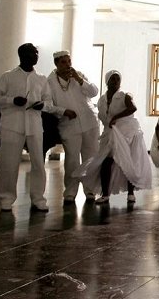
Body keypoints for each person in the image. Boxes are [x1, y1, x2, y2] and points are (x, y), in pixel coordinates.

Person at [0, 43, 52, 212]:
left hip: (34, 126)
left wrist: (43, 105)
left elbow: (49, 102)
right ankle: (6, 199)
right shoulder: (8, 76)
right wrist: (12, 101)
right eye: (33, 53)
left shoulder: (41, 79)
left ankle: (38, 198)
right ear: (22, 55)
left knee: (38, 162)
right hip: (12, 125)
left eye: (37, 53)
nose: (36, 56)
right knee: (9, 163)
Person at [75, 70, 152, 204]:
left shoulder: (124, 95)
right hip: (111, 133)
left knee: (129, 161)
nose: (116, 81)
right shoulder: (102, 100)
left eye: (118, 79)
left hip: (127, 132)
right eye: (113, 79)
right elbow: (103, 116)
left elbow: (132, 108)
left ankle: (130, 192)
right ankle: (105, 194)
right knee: (106, 161)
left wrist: (116, 117)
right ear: (107, 81)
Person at [47, 50, 100, 205]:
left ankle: (90, 190)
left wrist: (79, 79)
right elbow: (48, 105)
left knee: (91, 157)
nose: (68, 65)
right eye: (63, 62)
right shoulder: (49, 81)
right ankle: (70, 192)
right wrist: (63, 111)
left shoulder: (79, 75)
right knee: (72, 159)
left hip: (90, 122)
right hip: (68, 125)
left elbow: (94, 92)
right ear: (56, 64)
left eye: (69, 61)